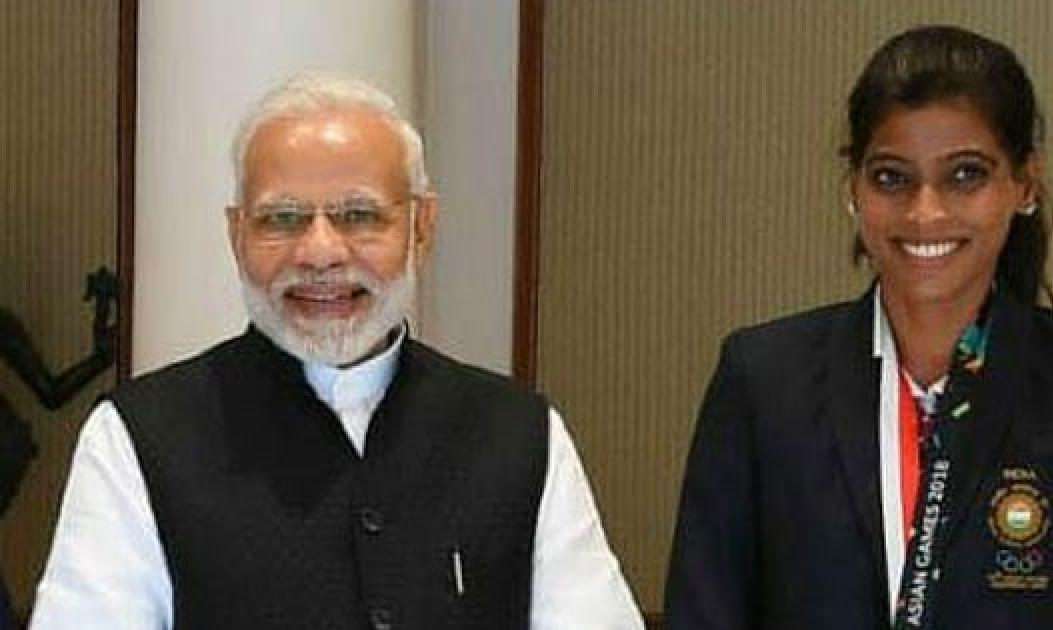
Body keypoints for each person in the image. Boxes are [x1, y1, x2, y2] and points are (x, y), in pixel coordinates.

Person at [31, 74, 643, 630]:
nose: (320, 253)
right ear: (237, 235)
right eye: (282, 218)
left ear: (422, 228)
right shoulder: (138, 435)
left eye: (358, 215)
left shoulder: (520, 433)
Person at [665, 25, 1053, 629]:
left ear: (1025, 185)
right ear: (853, 190)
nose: (925, 211)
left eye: (965, 175)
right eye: (892, 177)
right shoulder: (763, 381)